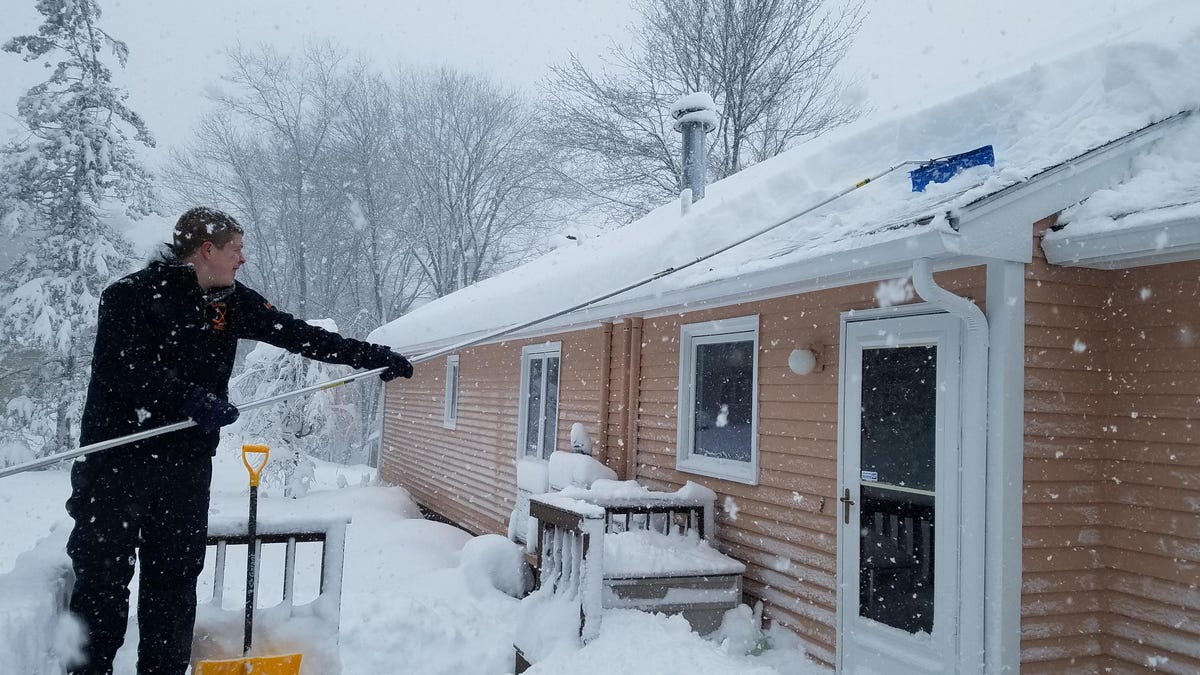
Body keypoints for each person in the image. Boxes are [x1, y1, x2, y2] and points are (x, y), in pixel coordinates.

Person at [65, 207, 413, 675]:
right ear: (207, 250)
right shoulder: (131, 296)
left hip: (185, 467)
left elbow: (297, 334)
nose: (242, 259)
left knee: (173, 583)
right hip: (117, 463)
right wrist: (190, 398)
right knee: (103, 581)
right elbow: (119, 370)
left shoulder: (231, 303)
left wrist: (368, 356)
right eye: (236, 249)